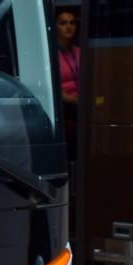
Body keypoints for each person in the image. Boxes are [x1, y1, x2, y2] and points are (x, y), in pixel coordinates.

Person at [55, 8, 82, 155]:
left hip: (79, 100)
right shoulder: (51, 53)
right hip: (63, 102)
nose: (69, 26)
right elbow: (51, 86)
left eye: (72, 23)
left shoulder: (79, 51)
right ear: (56, 26)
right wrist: (72, 99)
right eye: (63, 23)